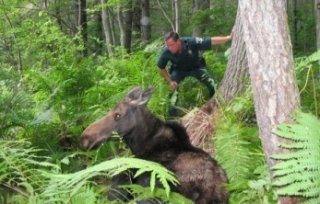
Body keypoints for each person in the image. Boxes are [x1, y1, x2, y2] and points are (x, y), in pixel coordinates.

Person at [157, 30, 233, 117]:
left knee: (213, 84)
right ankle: (173, 118)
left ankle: (214, 105)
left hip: (197, 67)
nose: (169, 48)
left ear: (178, 41)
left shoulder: (190, 42)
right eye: (167, 45)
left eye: (171, 45)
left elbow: (210, 41)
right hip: (178, 70)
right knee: (172, 92)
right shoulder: (166, 52)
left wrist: (228, 38)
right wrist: (170, 81)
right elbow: (161, 68)